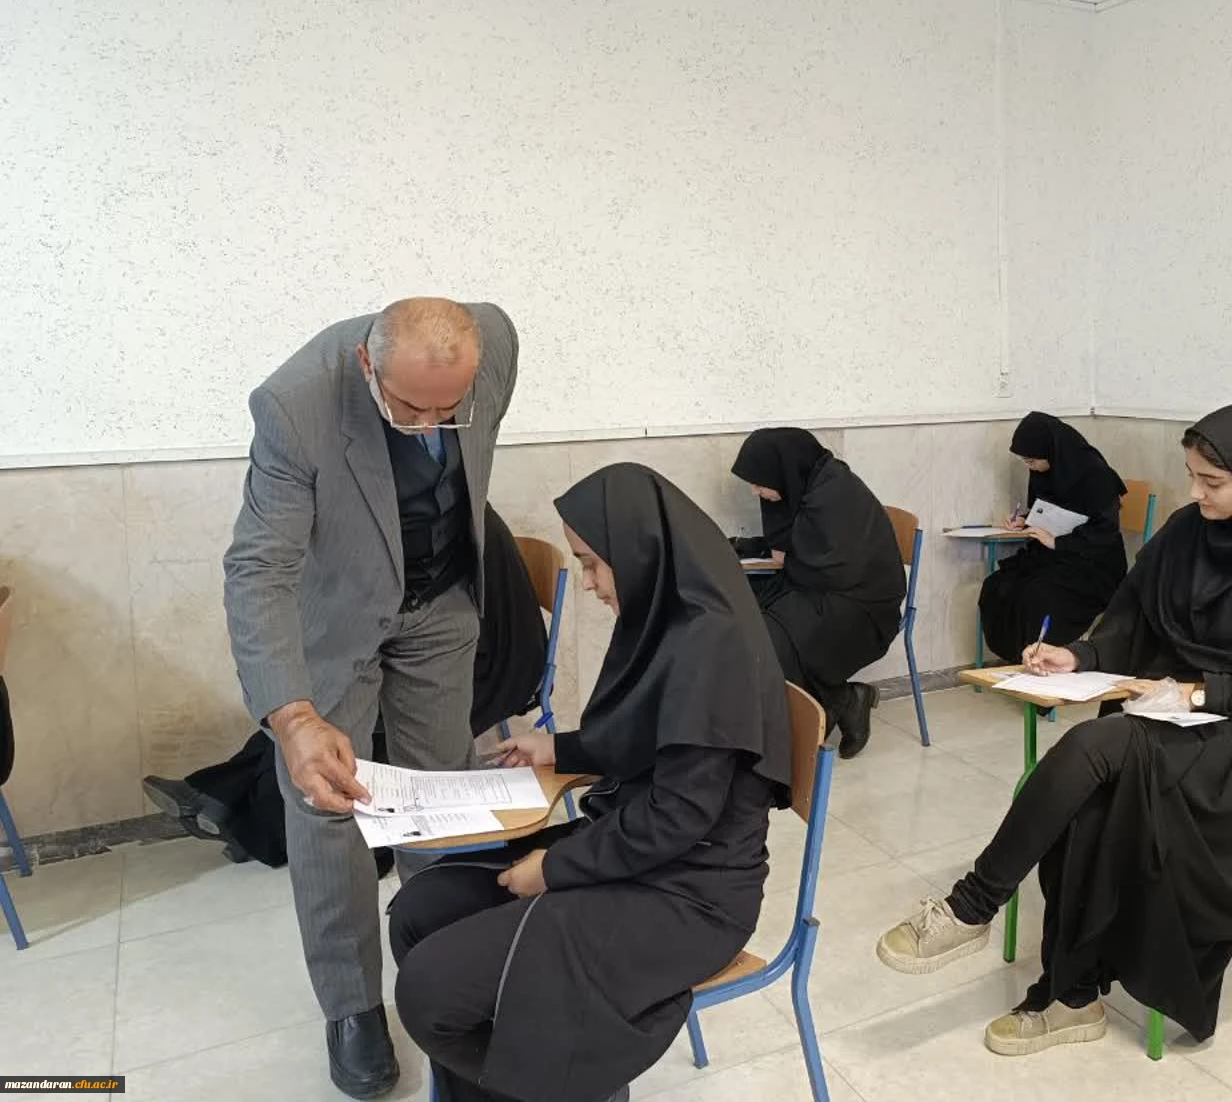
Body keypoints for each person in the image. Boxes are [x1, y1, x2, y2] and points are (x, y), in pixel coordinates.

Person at [875, 404, 1232, 1056]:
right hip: (1174, 721)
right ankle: (1072, 997)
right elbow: (1132, 620)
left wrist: (1205, 692)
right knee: (1093, 801)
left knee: (1099, 745)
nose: (1195, 494)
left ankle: (973, 906)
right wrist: (1078, 655)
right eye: (1190, 476)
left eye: (1212, 482)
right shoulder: (1189, 532)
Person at [387, 463, 793, 1102]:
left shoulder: (713, 648)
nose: (591, 584)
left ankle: (576, 1081)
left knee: (427, 993)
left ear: (640, 551)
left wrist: (555, 869)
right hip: (644, 854)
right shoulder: (671, 620)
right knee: (419, 911)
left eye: (594, 564)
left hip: (691, 895)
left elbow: (677, 816)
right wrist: (560, 747)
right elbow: (648, 736)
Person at [223, 298, 518, 1099]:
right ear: (366, 366)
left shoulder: (493, 341)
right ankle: (352, 1007)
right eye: (409, 408)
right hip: (339, 616)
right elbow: (258, 567)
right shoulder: (294, 405)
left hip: (441, 603)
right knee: (328, 804)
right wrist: (294, 717)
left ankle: (446, 967)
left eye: (447, 411)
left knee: (438, 795)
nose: (429, 427)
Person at [142, 504, 547, 871]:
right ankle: (225, 803)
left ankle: (234, 810)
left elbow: (417, 627)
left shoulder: (421, 520)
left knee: (340, 732)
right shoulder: (423, 506)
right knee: (314, 711)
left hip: (492, 670)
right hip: (474, 656)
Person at [729, 427, 903, 759]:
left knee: (772, 636)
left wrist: (788, 558)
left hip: (864, 605)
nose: (755, 491)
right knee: (744, 613)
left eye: (759, 483)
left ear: (782, 471)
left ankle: (832, 707)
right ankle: (838, 701)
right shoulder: (804, 486)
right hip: (823, 591)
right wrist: (755, 548)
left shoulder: (837, 494)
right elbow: (800, 541)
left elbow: (839, 567)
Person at [977, 413, 1128, 662]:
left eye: (1032, 460)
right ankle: (1015, 661)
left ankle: (1041, 663)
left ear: (1052, 451)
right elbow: (1047, 509)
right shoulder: (1046, 470)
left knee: (1037, 596)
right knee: (998, 586)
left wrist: (1058, 542)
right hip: (1053, 558)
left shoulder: (1095, 474)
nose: (1030, 467)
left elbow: (1105, 530)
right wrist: (1026, 520)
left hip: (1093, 564)